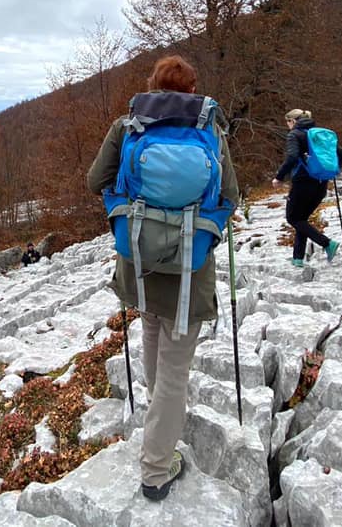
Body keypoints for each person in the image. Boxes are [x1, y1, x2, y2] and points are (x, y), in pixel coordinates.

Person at [87, 55, 239, 502]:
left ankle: (159, 421)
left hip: (139, 260)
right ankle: (156, 468)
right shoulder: (210, 130)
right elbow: (231, 195)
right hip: (190, 267)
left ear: (152, 86)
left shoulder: (128, 127)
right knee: (175, 368)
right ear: (192, 90)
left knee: (152, 328)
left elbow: (95, 180)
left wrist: (124, 203)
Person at [272, 109, 342, 267]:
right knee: (301, 219)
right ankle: (298, 259)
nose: (287, 126)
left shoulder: (295, 134)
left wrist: (279, 177)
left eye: (287, 122)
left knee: (293, 218)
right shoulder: (319, 135)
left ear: (293, 121)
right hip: (321, 183)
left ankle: (327, 244)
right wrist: (331, 169)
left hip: (302, 183)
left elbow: (292, 157)